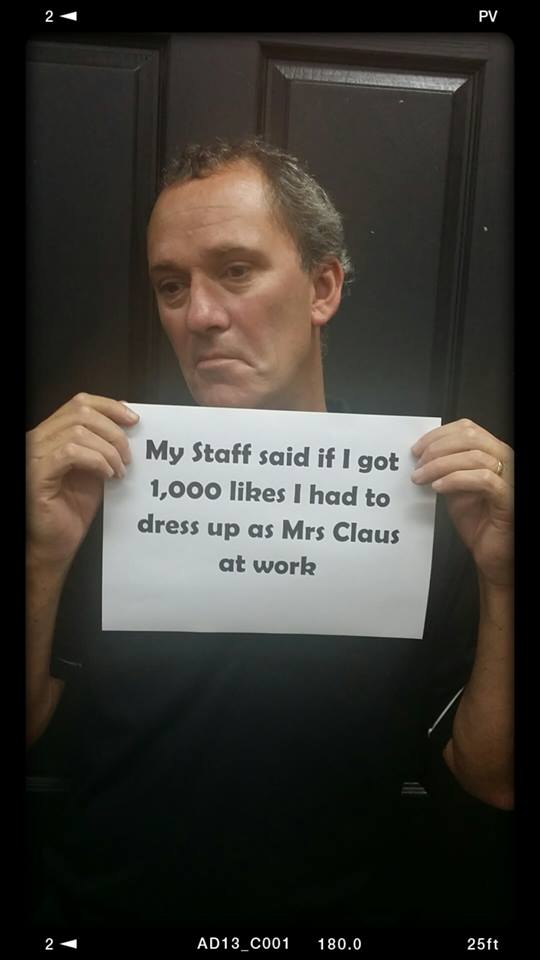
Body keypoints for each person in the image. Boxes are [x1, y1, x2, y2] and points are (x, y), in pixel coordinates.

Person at [27, 139, 514, 929]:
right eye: (171, 285)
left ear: (323, 287)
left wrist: (507, 580)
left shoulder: (427, 499)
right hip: (104, 915)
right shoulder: (89, 483)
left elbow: (491, 778)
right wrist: (37, 556)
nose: (200, 315)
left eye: (236, 270)